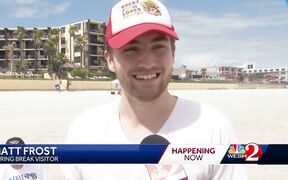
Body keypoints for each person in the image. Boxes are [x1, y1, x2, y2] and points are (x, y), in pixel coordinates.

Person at [62, 0, 246, 179]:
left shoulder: (214, 128)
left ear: (173, 53)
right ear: (109, 59)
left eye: (158, 47)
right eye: (131, 49)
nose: (148, 62)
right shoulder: (84, 133)